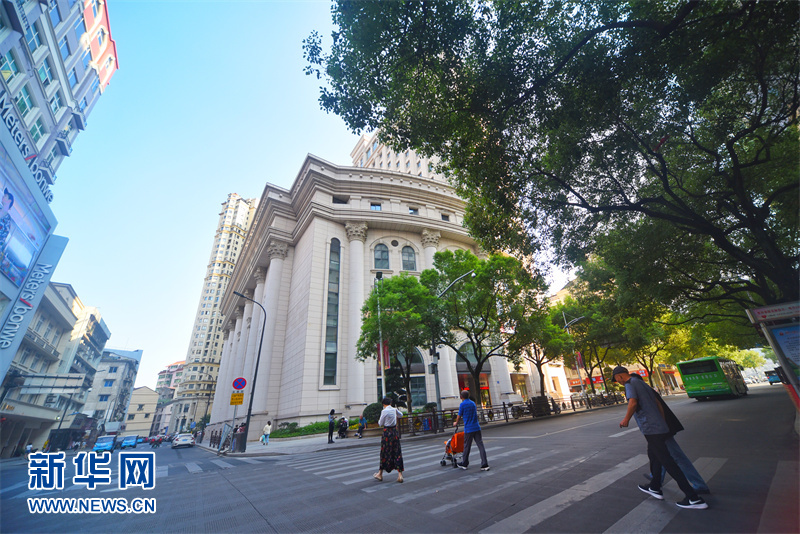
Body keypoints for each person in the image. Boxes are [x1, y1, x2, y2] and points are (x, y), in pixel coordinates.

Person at [614, 366, 708, 510]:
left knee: (668, 461)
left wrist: (626, 419)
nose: (618, 382)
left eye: (616, 379)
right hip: (659, 426)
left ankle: (693, 498)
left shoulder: (629, 384)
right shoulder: (641, 383)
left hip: (651, 428)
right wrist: (661, 422)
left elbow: (633, 402)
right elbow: (658, 402)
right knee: (654, 456)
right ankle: (655, 486)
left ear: (620, 376)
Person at [453, 389, 490, 471]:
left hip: (469, 428)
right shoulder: (473, 403)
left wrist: (456, 422)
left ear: (461, 397)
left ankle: (465, 463)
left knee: (467, 446)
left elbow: (459, 415)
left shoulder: (462, 404)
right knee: (480, 445)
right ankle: (485, 464)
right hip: (476, 427)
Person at [374, 397, 404, 483]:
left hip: (387, 433)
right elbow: (401, 415)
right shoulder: (394, 409)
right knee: (397, 452)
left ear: (383, 404)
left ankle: (380, 474)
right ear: (390, 403)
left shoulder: (384, 411)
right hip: (394, 432)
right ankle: (400, 475)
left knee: (384, 452)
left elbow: (380, 423)